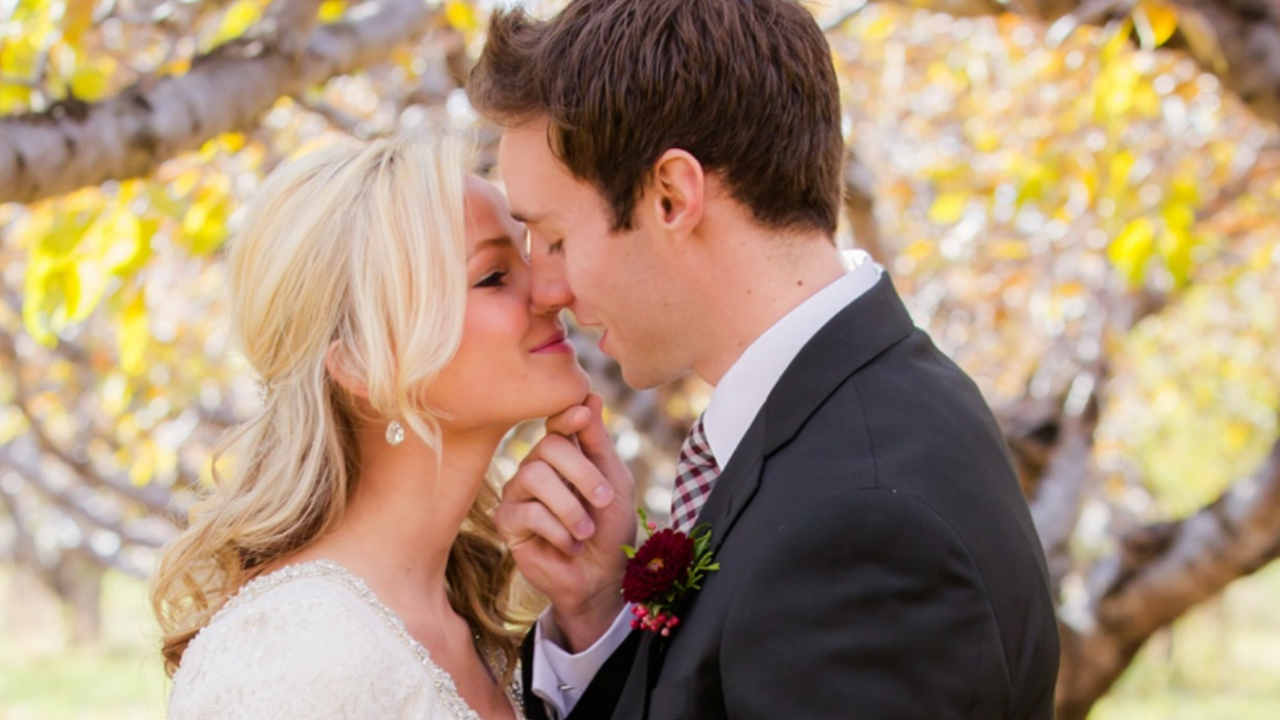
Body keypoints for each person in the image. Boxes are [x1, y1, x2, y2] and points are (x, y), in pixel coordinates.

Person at [467, 1, 1061, 719]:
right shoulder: (865, 411)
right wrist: (598, 616)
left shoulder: (861, 526)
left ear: (670, 196)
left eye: (556, 239)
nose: (549, 289)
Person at [150, 133, 594, 719]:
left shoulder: (483, 628)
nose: (552, 290)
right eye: (492, 276)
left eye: (532, 255)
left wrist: (590, 612)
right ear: (361, 363)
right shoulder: (290, 658)